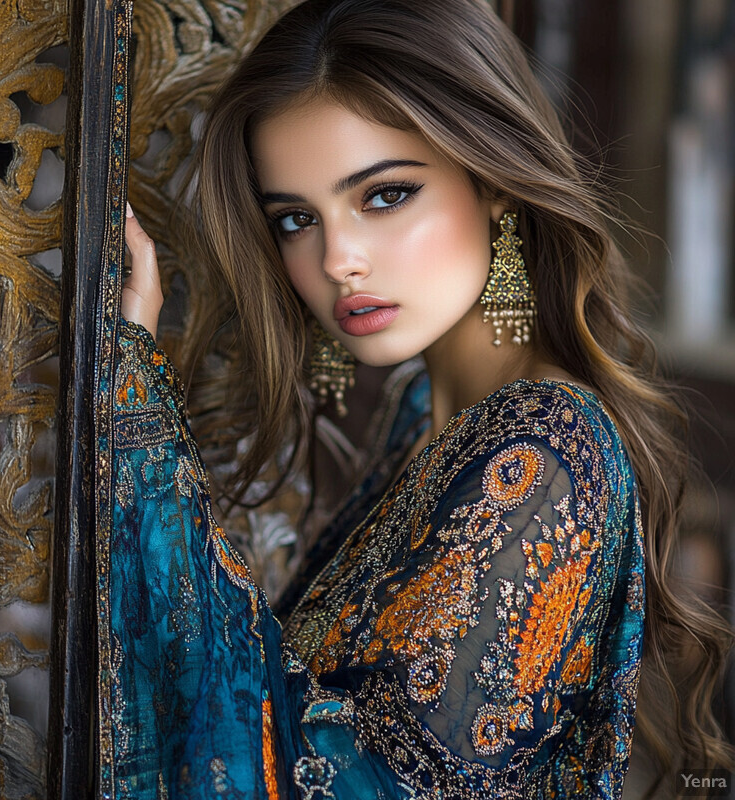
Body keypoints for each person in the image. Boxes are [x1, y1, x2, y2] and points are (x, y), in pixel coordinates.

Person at [110, 0, 734, 796]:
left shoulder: (543, 450)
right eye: (297, 218)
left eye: (383, 196)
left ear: (494, 182)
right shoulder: (426, 423)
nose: (339, 260)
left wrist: (138, 416)